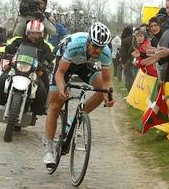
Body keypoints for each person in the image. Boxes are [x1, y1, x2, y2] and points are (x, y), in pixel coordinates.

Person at [43, 22, 115, 167]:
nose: (97, 51)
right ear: (88, 41)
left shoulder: (105, 52)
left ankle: (73, 119)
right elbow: (60, 72)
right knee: (56, 104)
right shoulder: (75, 45)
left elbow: (107, 81)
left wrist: (108, 96)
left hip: (85, 64)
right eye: (95, 46)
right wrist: (62, 89)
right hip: (65, 63)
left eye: (101, 48)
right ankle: (49, 148)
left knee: (101, 91)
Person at [0, 20, 54, 124]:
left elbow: (51, 57)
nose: (34, 35)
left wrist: (52, 62)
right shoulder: (17, 40)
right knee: (2, 79)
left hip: (35, 71)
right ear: (27, 32)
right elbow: (6, 47)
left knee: (43, 87)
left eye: (37, 33)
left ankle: (39, 109)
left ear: (41, 34)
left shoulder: (45, 45)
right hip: (16, 68)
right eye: (32, 33)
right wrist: (3, 53)